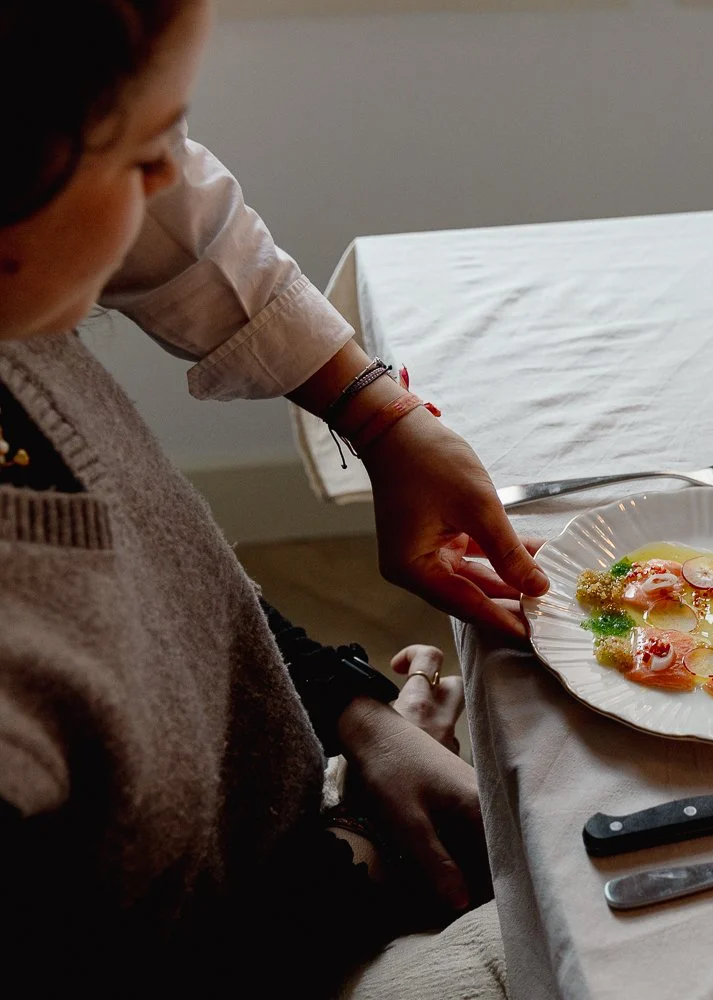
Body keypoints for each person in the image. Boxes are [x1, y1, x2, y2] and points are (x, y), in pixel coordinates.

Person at [0, 1, 531, 994]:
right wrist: (356, 850)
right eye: (151, 150)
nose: (176, 187)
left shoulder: (22, 340)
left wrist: (354, 715)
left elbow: (162, 594)